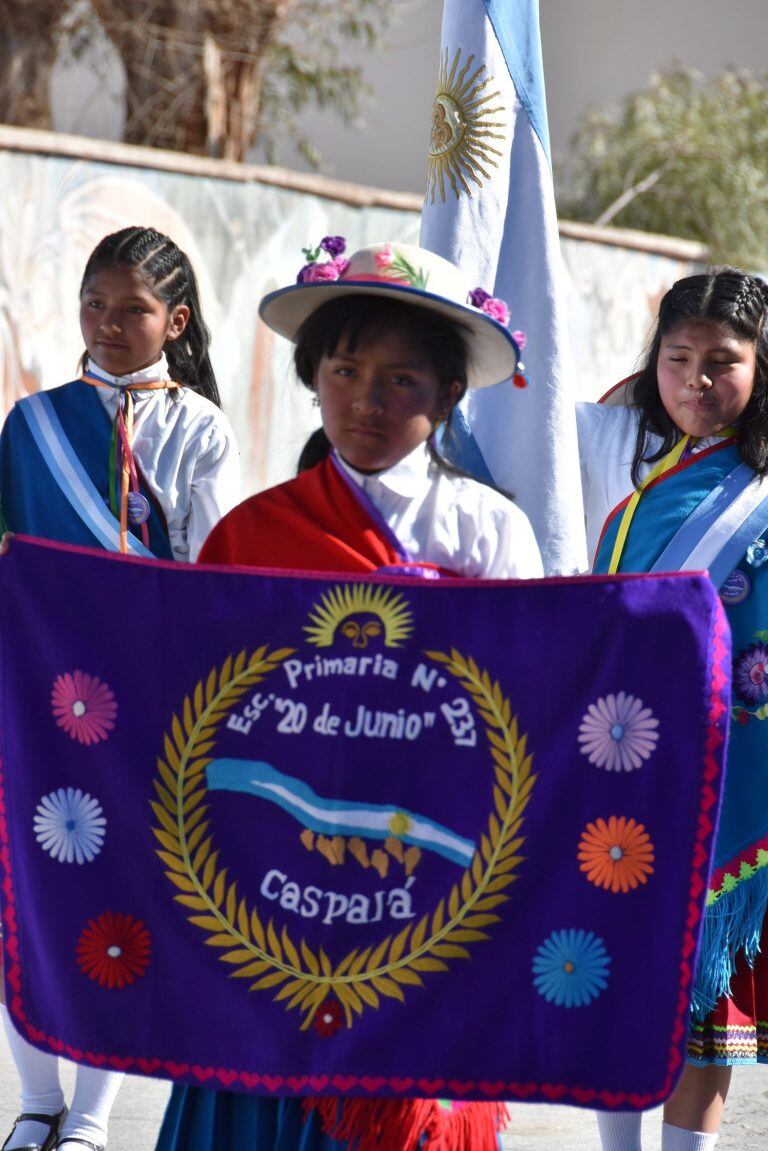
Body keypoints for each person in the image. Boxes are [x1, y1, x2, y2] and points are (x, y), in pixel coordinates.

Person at [154, 238, 543, 1151]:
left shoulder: (489, 530)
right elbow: (193, 709)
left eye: (402, 379)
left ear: (449, 396)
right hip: (271, 876)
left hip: (425, 876)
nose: (366, 399)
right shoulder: (252, 533)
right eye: (345, 369)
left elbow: (528, 703)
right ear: (314, 375)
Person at [0, 226, 240, 1151]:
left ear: (175, 321)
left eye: (132, 308)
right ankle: (34, 1098)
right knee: (22, 892)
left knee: (115, 901)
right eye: (94, 304)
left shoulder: (199, 428)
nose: (107, 323)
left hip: (145, 697)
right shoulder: (30, 424)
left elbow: (215, 571)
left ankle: (93, 1115)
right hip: (32, 692)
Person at [578, 268, 768, 1151]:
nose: (695, 378)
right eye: (677, 356)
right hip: (624, 759)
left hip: (734, 765)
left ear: (762, 368)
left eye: (721, 361)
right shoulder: (629, 466)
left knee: (702, 992)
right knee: (620, 975)